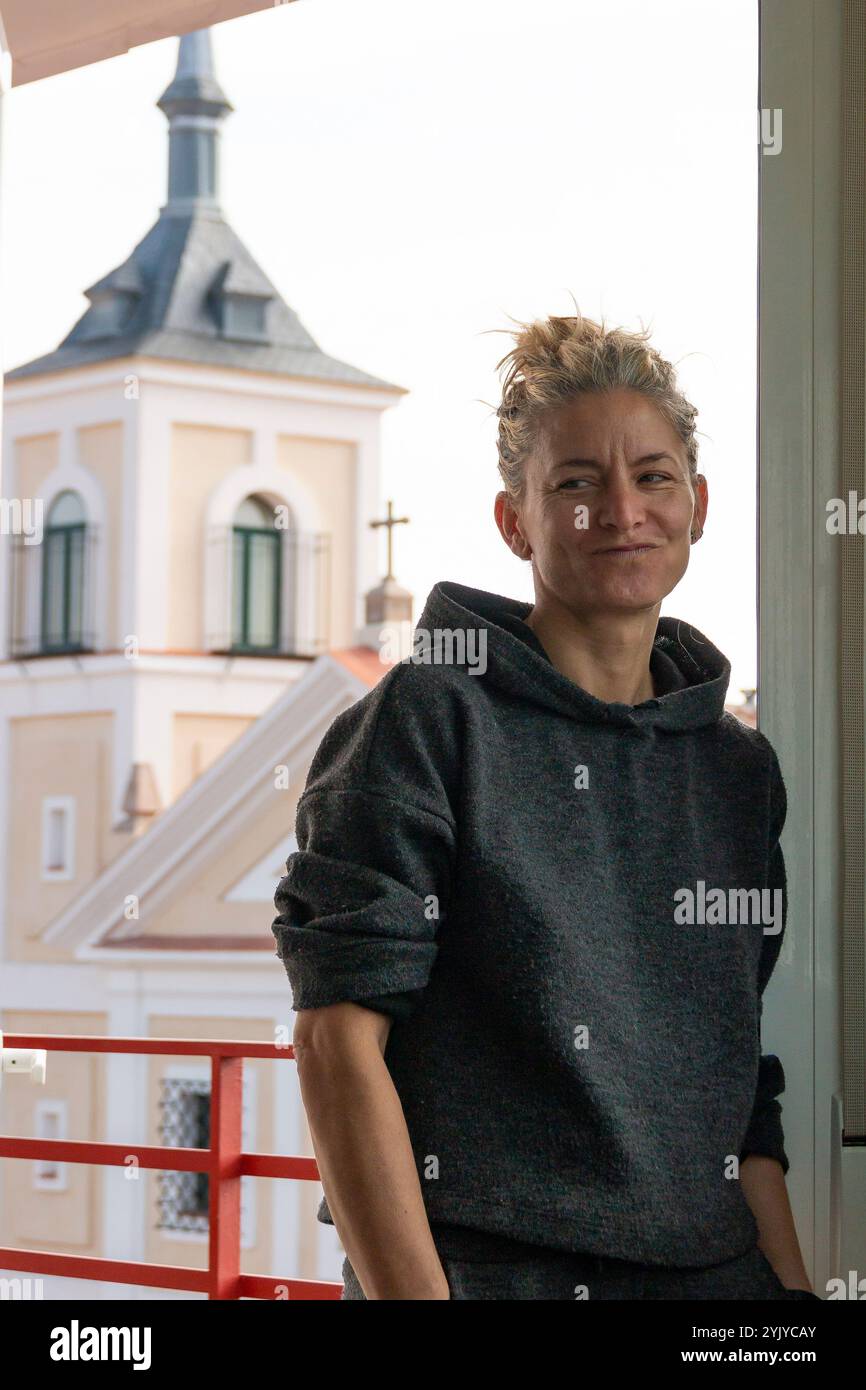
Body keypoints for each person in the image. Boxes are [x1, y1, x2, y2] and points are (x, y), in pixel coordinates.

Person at [271, 308, 818, 1301]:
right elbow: (335, 1042)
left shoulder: (737, 769)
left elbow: (740, 1084)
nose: (618, 511)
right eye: (574, 483)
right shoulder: (430, 718)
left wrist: (789, 1298)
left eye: (651, 477)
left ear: (696, 504)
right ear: (513, 519)